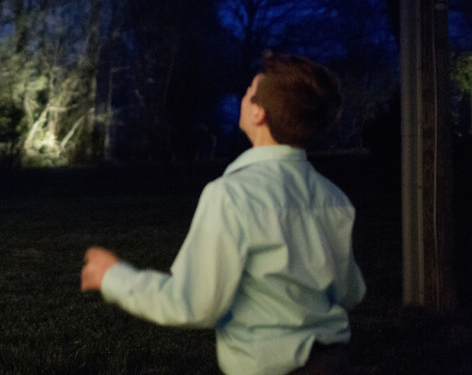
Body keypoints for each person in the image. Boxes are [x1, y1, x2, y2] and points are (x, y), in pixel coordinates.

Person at [81, 52, 366, 375]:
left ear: (258, 113)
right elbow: (351, 291)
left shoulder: (231, 195)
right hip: (334, 362)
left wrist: (113, 277)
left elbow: (193, 303)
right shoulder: (334, 198)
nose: (243, 98)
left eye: (247, 93)